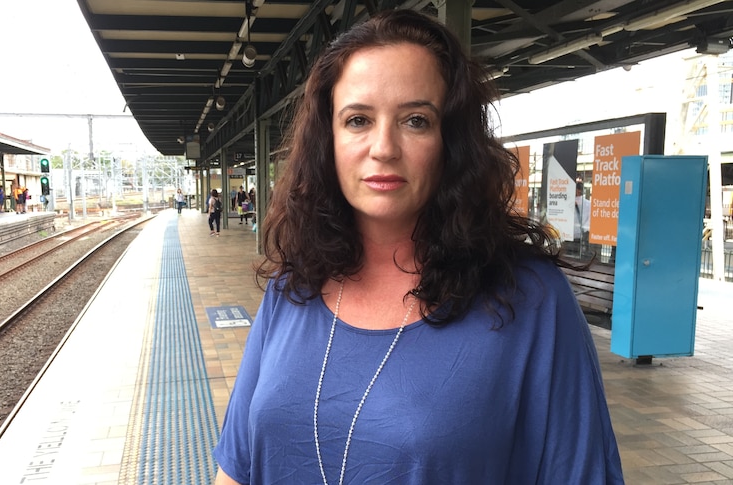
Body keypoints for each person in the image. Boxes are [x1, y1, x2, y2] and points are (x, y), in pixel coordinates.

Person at [213, 9, 623, 485]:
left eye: (415, 120)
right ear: (329, 139)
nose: (383, 147)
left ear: (452, 140)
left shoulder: (529, 299)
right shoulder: (293, 285)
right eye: (358, 119)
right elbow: (237, 468)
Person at [573, 181, 592, 259]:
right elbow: (590, 220)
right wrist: (584, 230)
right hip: (581, 234)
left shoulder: (569, 202)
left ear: (577, 190)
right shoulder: (588, 203)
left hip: (570, 234)